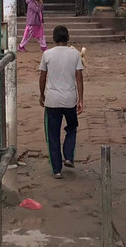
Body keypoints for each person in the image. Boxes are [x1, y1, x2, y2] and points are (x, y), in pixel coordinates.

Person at [39, 25, 84, 179]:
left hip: (52, 99)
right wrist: (81, 99)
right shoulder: (75, 54)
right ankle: (69, 156)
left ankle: (57, 169)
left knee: (52, 135)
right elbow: (79, 77)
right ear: (68, 38)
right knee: (72, 127)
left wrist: (41, 95)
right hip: (70, 99)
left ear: (54, 38)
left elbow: (42, 77)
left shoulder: (47, 54)